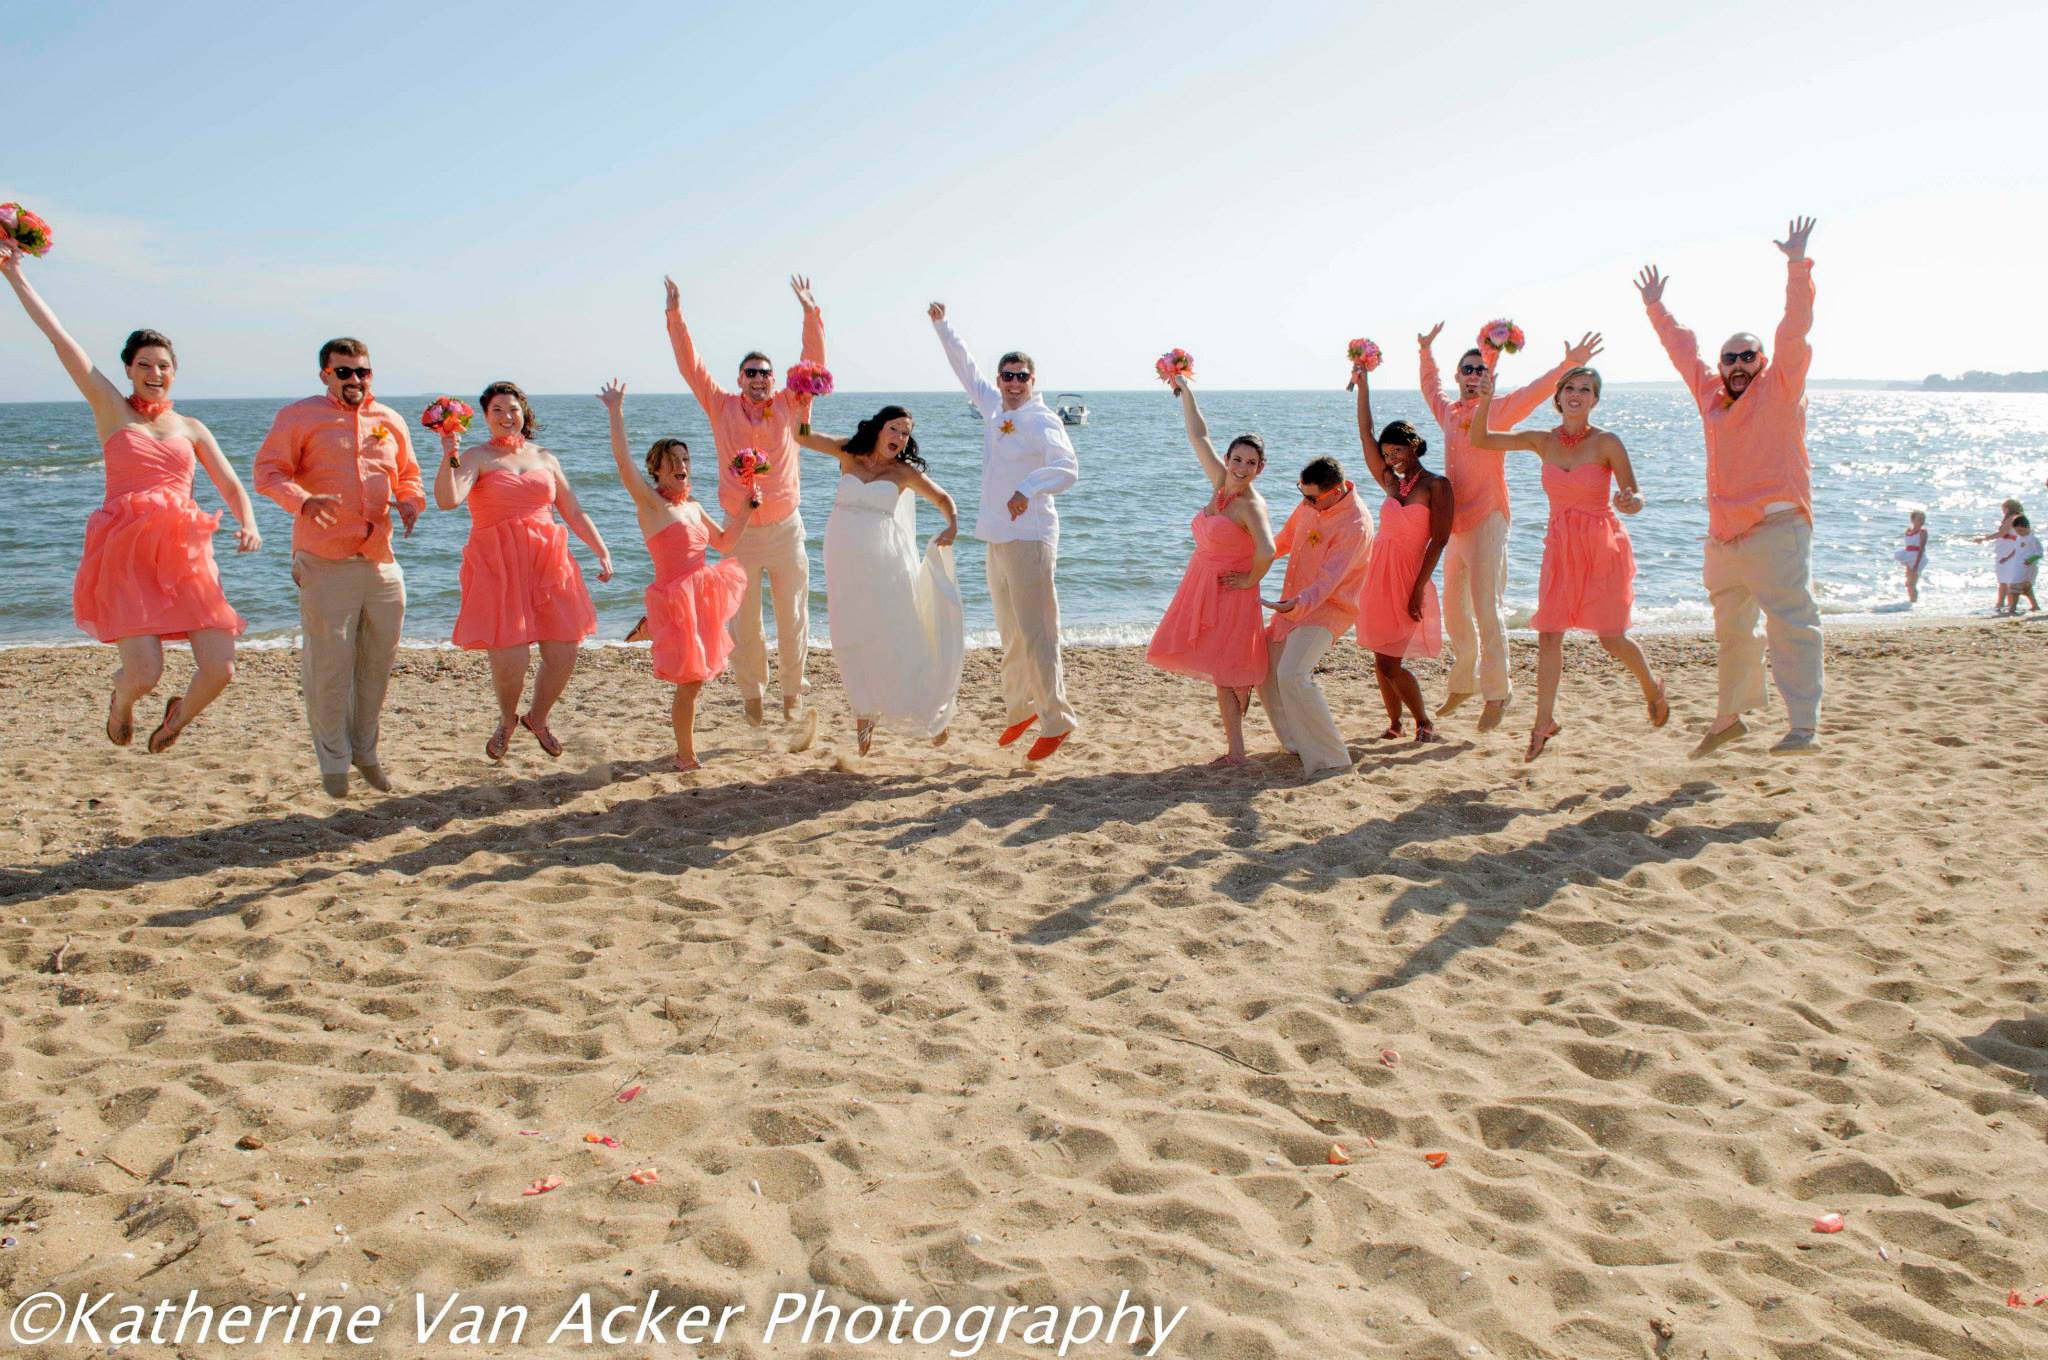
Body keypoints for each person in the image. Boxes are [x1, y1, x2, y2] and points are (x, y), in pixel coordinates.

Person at [0, 240, 259, 752]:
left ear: (174, 371)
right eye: (145, 364)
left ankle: (177, 718)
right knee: (143, 674)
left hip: (186, 555)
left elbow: (229, 483)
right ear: (129, 369)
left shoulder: (191, 427)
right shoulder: (110, 408)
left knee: (221, 667)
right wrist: (14, 275)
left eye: (164, 365)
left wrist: (248, 521)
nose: (155, 373)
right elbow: (59, 339)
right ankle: (121, 702)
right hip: (126, 552)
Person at [1638, 215, 1824, 757]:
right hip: (1724, 536)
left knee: (1792, 625)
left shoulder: (1781, 387)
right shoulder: (1711, 396)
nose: (1738, 364)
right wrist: (1655, 307)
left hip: (1775, 526)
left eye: (1748, 356)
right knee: (1734, 635)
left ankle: (1803, 727)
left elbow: (1796, 325)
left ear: (1762, 362)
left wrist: (1796, 264)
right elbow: (1681, 349)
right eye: (1730, 358)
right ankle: (1729, 720)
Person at [1468, 366, 1670, 761]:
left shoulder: (1608, 442)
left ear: (1595, 399)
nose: (1577, 394)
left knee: (1611, 637)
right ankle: (1544, 722)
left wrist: (1631, 502)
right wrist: (1486, 400)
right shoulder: (1541, 441)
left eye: (1587, 389)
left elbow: (1636, 494)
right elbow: (1481, 439)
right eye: (1571, 388)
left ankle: (1651, 685)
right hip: (1560, 548)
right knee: (1549, 635)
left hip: (1601, 546)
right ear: (1558, 397)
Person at [254, 339, 422, 796]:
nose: (355, 380)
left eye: (362, 372)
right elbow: (268, 473)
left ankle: (365, 753)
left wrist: (409, 502)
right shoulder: (299, 416)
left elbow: (409, 474)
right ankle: (334, 763)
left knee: (377, 666)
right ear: (325, 374)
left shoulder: (389, 420)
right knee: (330, 668)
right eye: (344, 372)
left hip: (381, 558)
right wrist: (303, 501)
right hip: (324, 558)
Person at [1418, 321, 1600, 732]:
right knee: (1454, 612)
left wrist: (1570, 363)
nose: (1473, 376)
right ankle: (1464, 682)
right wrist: (1426, 350)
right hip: (1455, 522)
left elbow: (1537, 390)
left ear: (1489, 376)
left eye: (1480, 370)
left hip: (1489, 518)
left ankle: (1497, 693)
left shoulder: (1500, 409)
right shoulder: (1448, 412)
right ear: (1458, 376)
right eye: (1467, 370)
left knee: (1486, 609)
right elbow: (1429, 386)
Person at [663, 274, 822, 726]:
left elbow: (813, 364)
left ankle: (793, 693)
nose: (757, 378)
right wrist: (675, 314)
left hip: (787, 528)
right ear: (739, 378)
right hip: (741, 531)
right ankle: (753, 695)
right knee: (744, 624)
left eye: (764, 372)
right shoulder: (721, 406)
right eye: (750, 372)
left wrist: (811, 313)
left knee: (793, 618)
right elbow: (690, 365)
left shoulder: (793, 405)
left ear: (775, 379)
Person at [928, 301, 1080, 761]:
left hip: (1031, 537)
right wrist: (942, 325)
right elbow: (965, 368)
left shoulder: (1042, 419)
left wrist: (1028, 487)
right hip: (997, 536)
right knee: (1010, 632)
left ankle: (1057, 719)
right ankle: (1022, 710)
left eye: (1022, 377)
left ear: (1034, 382)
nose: (1013, 383)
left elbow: (1068, 469)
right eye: (1007, 375)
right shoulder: (994, 407)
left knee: (1037, 633)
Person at [436, 381, 610, 761]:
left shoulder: (545, 457)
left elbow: (573, 510)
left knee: (564, 650)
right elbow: (448, 500)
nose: (505, 416)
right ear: (484, 417)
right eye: (496, 410)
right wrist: (449, 453)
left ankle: (538, 718)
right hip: (498, 564)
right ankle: (506, 720)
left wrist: (600, 549)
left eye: (512, 409)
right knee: (511, 660)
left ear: (523, 413)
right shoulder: (476, 457)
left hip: (548, 561)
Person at [600, 380, 753, 771]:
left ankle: (652, 625)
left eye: (685, 460)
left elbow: (722, 542)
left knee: (699, 677)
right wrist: (616, 412)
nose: (681, 467)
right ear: (658, 469)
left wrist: (748, 509)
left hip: (703, 593)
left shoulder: (694, 506)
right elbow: (621, 463)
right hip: (676, 595)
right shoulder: (651, 504)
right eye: (672, 462)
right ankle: (686, 756)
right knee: (692, 681)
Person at [794, 405, 964, 754]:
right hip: (842, 560)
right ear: (879, 428)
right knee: (849, 636)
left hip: (886, 562)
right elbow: (801, 436)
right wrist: (805, 397)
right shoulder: (848, 451)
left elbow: (942, 498)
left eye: (906, 433)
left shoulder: (903, 472)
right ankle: (864, 713)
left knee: (897, 635)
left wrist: (952, 524)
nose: (900, 437)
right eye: (895, 428)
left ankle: (931, 714)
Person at [1146, 376, 1276, 765]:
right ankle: (1236, 750)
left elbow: (1268, 550)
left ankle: (1238, 745)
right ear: (1228, 459)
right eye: (1236, 459)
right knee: (1222, 672)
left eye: (1250, 463)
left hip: (1233, 592)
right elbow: (1198, 435)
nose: (1241, 467)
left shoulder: (1251, 505)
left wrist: (1250, 581)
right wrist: (1185, 391)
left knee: (1229, 673)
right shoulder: (1220, 483)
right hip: (1202, 585)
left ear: (1260, 468)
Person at [1352, 357, 1452, 742]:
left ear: (1413, 447)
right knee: (1381, 659)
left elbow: (1439, 540)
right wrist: (1363, 386)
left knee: (1392, 663)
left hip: (1410, 576)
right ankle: (1394, 724)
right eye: (1387, 452)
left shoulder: (1436, 486)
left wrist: (1417, 588)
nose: (1391, 458)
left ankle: (1424, 721)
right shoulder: (1393, 485)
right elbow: (1365, 434)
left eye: (1397, 451)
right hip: (1379, 576)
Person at [1258, 455, 1372, 777]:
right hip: (1293, 604)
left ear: (1335, 492)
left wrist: (1296, 603)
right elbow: (1282, 541)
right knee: (1265, 669)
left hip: (1329, 609)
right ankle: (1295, 742)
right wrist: (1250, 559)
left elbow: (1328, 582)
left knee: (1293, 674)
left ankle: (1332, 758)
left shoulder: (1355, 525)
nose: (1305, 502)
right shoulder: (1311, 503)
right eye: (1302, 493)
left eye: (1311, 497)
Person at [1979, 499, 2023, 612]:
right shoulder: (2019, 517)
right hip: (2010, 548)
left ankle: (2000, 604)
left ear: (2008, 508)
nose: (2002, 510)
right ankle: (2009, 603)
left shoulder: (2012, 518)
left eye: (2003, 508)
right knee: (2008, 577)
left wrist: (1984, 539)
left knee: (2004, 578)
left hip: (2008, 549)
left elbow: (2002, 533)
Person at [1999, 514, 2041, 614]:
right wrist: (2007, 557)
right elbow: (2016, 550)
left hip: (2028, 566)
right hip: (2018, 565)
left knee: (2015, 586)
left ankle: (2012, 608)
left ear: (2027, 527)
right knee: (2026, 588)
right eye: (2017, 531)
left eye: (2021, 531)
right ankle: (2035, 606)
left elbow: (2039, 553)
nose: (2019, 533)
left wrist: (2030, 560)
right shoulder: (2019, 538)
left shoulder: (2033, 539)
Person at [1894, 510, 1928, 604]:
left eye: (1923, 519)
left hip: (1918, 557)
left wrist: (1916, 565)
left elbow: (1921, 548)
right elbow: (1907, 545)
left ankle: (1914, 603)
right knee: (1908, 584)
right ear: (1912, 520)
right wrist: (1904, 559)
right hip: (1908, 556)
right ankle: (1911, 602)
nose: (1922, 521)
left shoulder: (1923, 532)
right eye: (1919, 519)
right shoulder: (1908, 531)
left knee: (1911, 583)